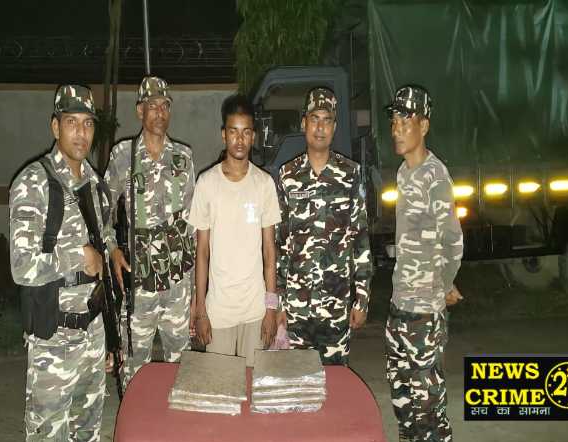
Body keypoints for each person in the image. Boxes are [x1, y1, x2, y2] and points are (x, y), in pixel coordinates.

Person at [9, 84, 116, 442]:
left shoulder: (96, 184)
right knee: (49, 437)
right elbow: (21, 266)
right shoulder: (34, 183)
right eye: (72, 122)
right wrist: (76, 256)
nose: (81, 132)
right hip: (54, 341)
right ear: (55, 127)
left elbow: (103, 255)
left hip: (93, 334)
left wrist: (108, 337)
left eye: (88, 124)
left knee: (88, 434)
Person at [384, 85, 464, 442]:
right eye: (394, 121)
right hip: (400, 304)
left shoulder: (436, 176)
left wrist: (442, 287)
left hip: (424, 314)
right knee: (403, 402)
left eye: (406, 121)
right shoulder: (404, 172)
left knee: (428, 409)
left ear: (424, 125)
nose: (397, 129)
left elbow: (453, 241)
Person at [104, 76, 196, 389]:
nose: (159, 112)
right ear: (139, 111)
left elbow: (193, 224)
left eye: (164, 106)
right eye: (152, 106)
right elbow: (102, 209)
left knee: (180, 367)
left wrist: (195, 291)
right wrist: (112, 249)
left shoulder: (183, 157)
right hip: (139, 283)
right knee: (134, 365)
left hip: (177, 283)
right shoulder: (123, 155)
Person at [276, 87, 373, 365]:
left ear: (334, 127)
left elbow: (361, 240)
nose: (320, 127)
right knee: (297, 379)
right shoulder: (287, 176)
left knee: (336, 380)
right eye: (314, 119)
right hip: (296, 308)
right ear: (303, 123)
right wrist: (278, 304)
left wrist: (362, 300)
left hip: (336, 306)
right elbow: (279, 244)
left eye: (327, 120)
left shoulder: (351, 174)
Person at [188, 94, 281, 366]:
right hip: (219, 312)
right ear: (223, 135)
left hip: (255, 310)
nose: (239, 140)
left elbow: (269, 252)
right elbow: (202, 252)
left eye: (246, 132)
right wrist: (201, 310)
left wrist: (271, 309)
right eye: (233, 131)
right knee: (220, 384)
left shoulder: (264, 184)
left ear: (253, 137)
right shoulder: (207, 183)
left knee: (252, 384)